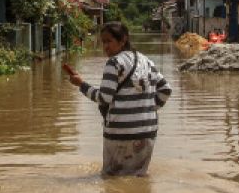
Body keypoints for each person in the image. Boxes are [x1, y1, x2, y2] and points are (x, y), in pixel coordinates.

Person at [62, 21, 172, 176]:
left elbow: (104, 98)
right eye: (103, 42)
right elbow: (166, 89)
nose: (105, 46)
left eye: (109, 41)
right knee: (138, 178)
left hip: (120, 133)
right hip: (148, 132)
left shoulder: (114, 62)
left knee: (111, 179)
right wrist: (147, 110)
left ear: (123, 40)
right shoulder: (146, 60)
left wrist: (81, 85)